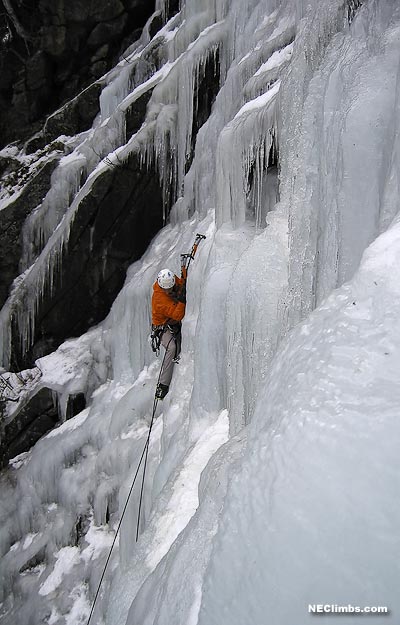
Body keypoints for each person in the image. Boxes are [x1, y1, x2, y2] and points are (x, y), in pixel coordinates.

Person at [151, 267, 187, 399]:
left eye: (171, 287)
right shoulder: (159, 299)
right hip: (162, 327)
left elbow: (181, 283)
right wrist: (182, 301)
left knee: (175, 346)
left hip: (172, 322)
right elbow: (178, 315)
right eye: (167, 289)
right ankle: (163, 384)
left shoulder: (171, 280)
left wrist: (184, 272)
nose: (169, 290)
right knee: (171, 347)